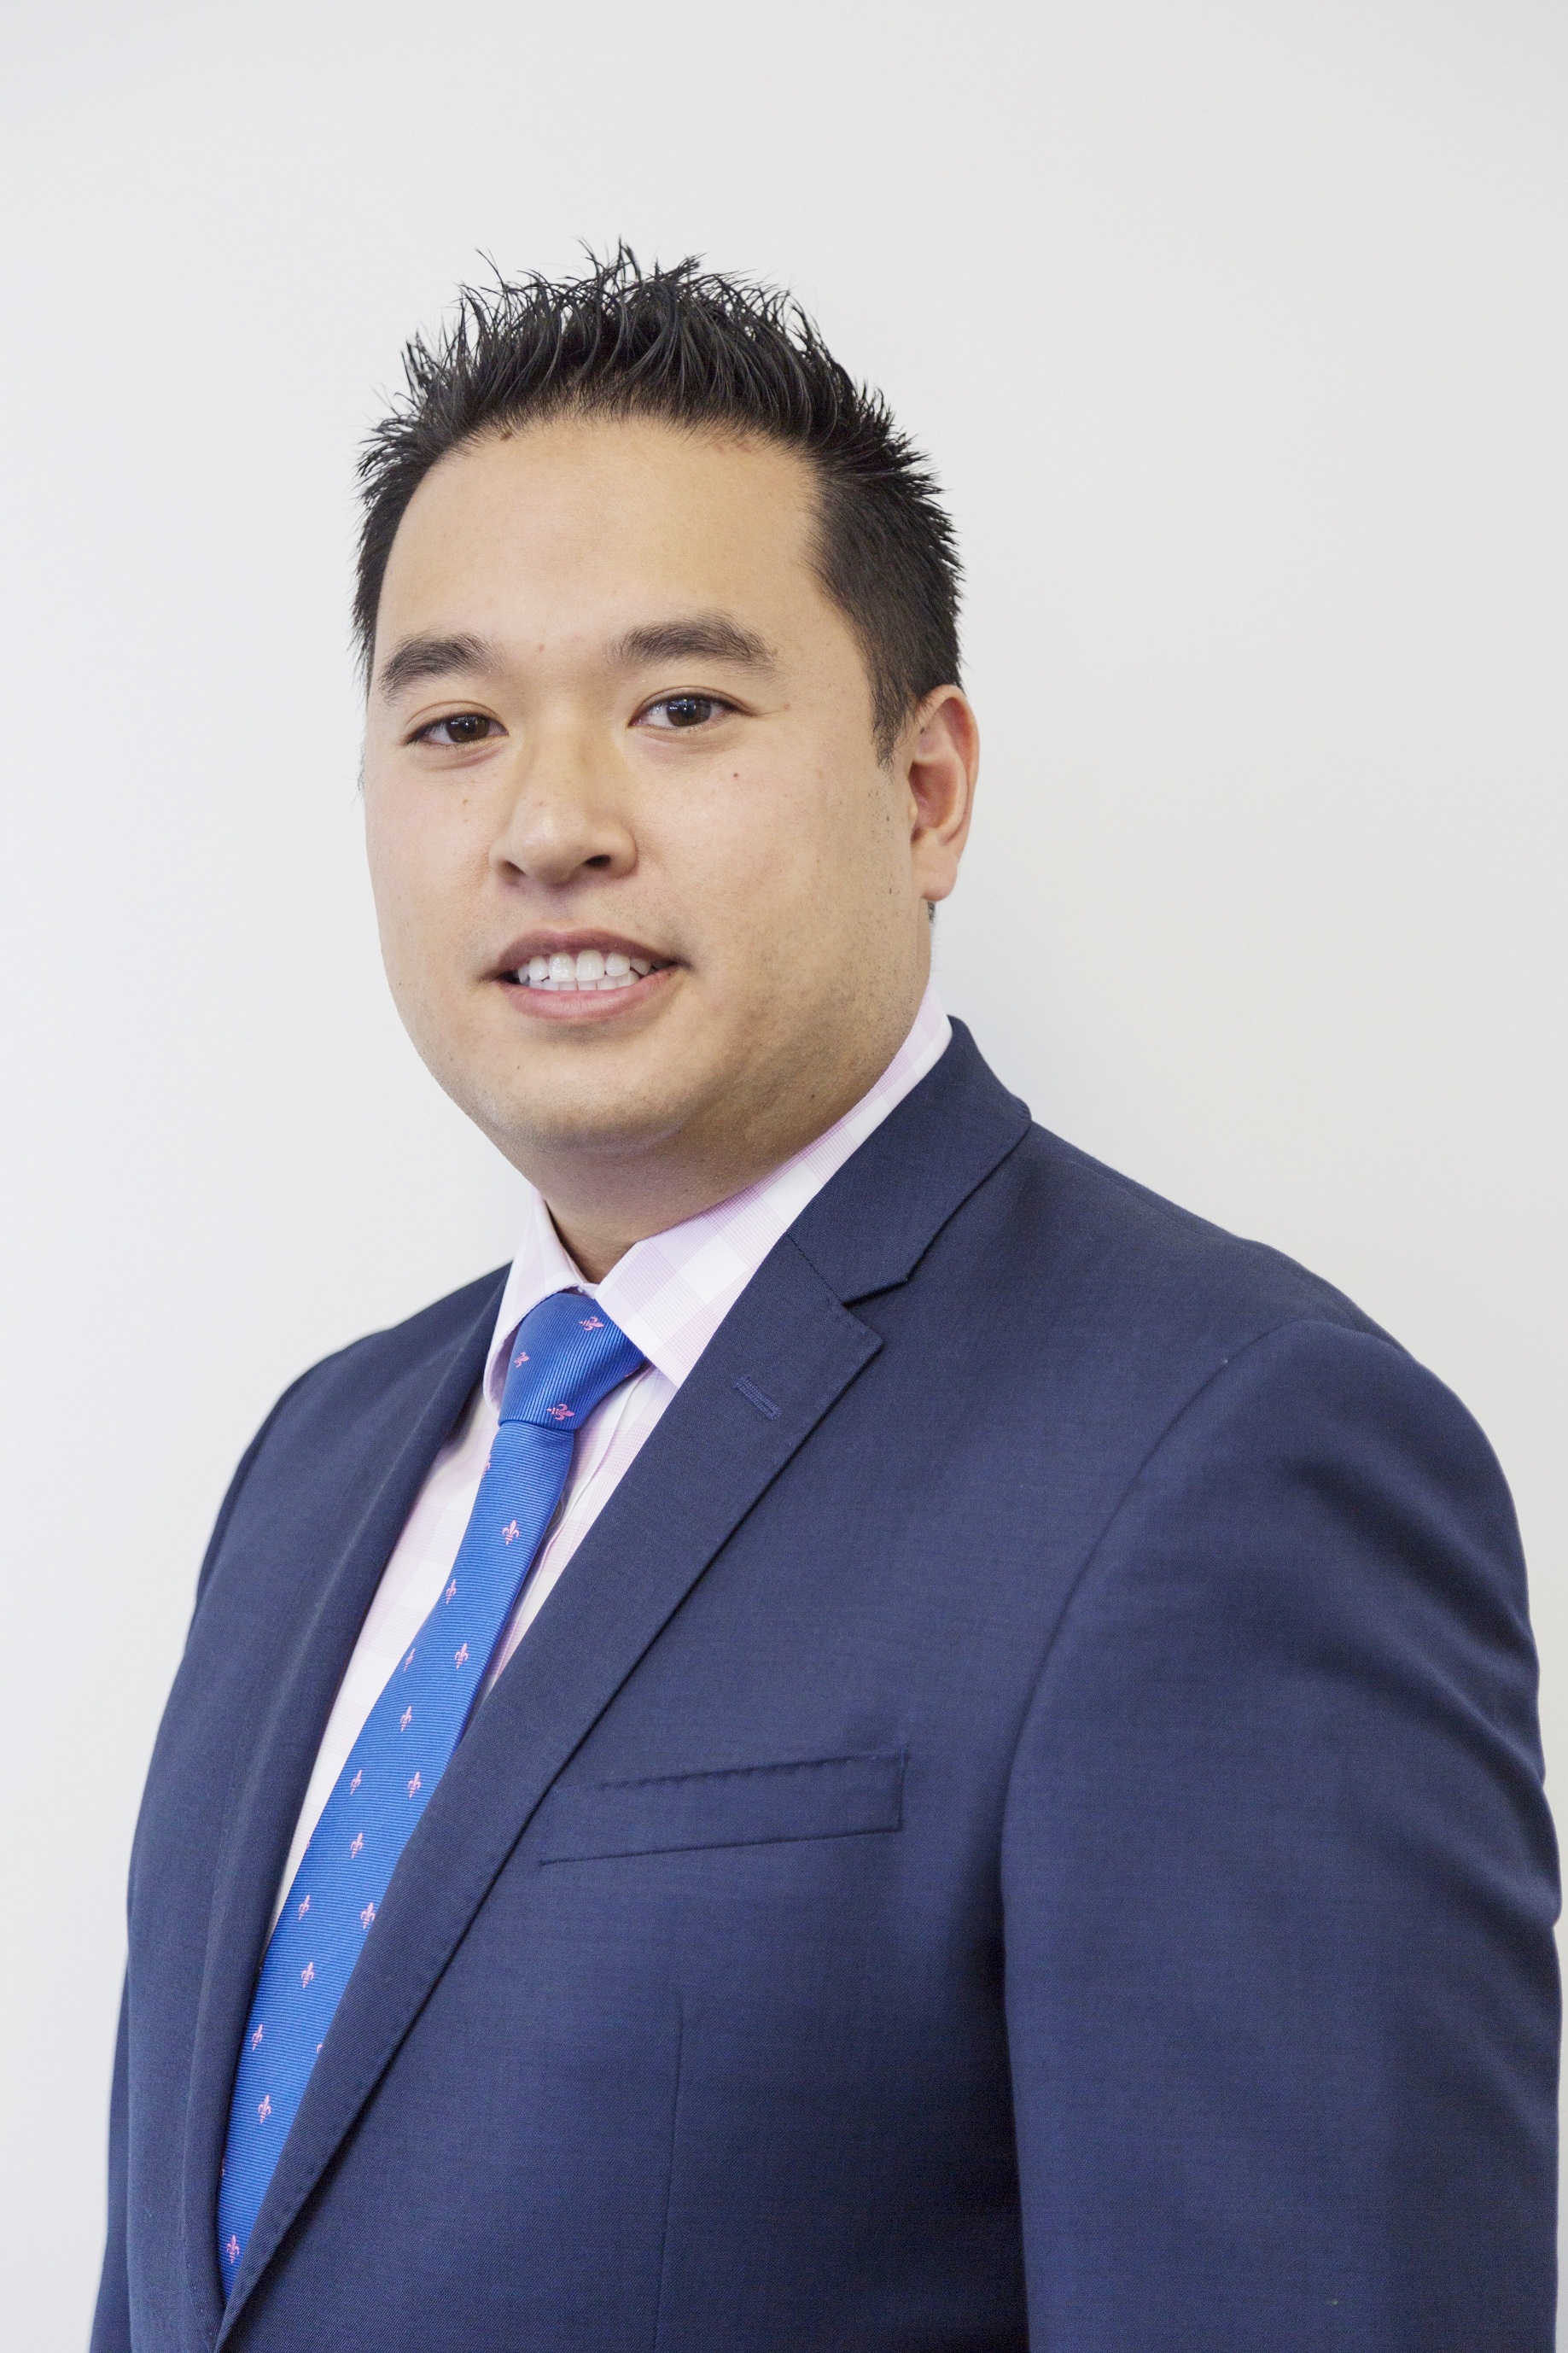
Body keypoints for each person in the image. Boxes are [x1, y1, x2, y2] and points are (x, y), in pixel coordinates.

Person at [92, 254, 1558, 2353]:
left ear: (925, 786)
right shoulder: (320, 1463)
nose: (551, 825)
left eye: (683, 707)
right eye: (455, 724)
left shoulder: (1226, 1454)